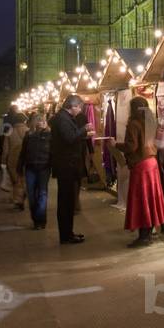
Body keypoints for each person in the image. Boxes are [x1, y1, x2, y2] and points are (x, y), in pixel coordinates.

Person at [113, 95, 164, 247]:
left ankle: (144, 237)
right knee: (151, 199)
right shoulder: (151, 122)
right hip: (152, 163)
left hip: (141, 166)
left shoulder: (134, 124)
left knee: (142, 200)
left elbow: (131, 146)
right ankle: (148, 233)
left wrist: (116, 145)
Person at [50, 95, 94, 244]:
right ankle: (66, 235)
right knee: (66, 202)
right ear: (73, 106)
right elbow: (69, 138)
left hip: (67, 165)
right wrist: (84, 129)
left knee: (68, 201)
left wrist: (83, 134)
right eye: (79, 107)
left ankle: (68, 233)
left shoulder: (63, 118)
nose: (80, 111)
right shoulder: (63, 119)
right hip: (66, 166)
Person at [18, 113, 51, 229]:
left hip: (44, 167)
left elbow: (53, 153)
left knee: (42, 194)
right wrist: (19, 167)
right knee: (31, 195)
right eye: (39, 120)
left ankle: (40, 220)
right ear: (34, 123)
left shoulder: (49, 135)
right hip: (30, 167)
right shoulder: (29, 135)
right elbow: (23, 152)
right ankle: (36, 219)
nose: (41, 122)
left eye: (43, 120)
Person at [2, 113, 28, 210]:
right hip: (26, 158)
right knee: (24, 179)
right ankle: (23, 195)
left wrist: (3, 160)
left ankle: (18, 200)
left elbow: (5, 149)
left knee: (16, 181)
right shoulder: (28, 131)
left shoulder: (10, 131)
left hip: (13, 159)